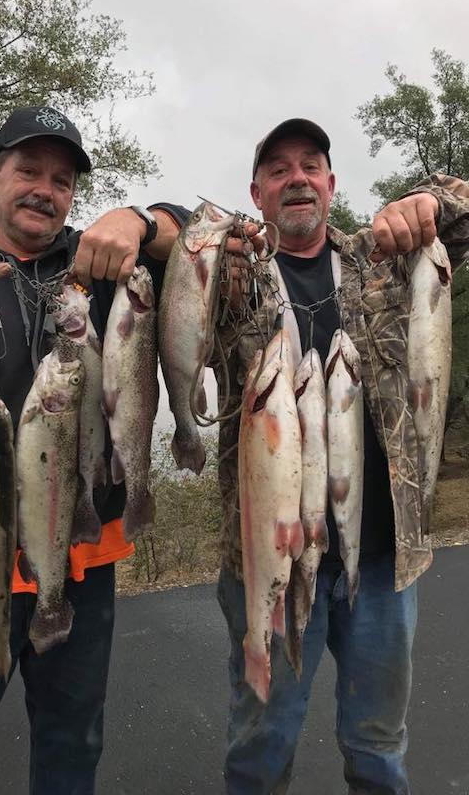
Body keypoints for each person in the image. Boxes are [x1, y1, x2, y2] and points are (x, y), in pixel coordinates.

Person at [0, 104, 192, 795]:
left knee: (71, 751)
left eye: (61, 179)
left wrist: (140, 219)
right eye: (28, 170)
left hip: (79, 558)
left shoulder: (105, 267)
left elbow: (209, 239)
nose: (44, 189)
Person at [213, 118, 469, 795]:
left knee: (378, 748)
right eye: (278, 170)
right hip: (269, 557)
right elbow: (170, 254)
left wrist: (429, 203)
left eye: (310, 165)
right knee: (260, 747)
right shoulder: (231, 285)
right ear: (257, 192)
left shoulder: (381, 258)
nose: (296, 178)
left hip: (383, 557)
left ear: (331, 183)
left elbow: (463, 216)